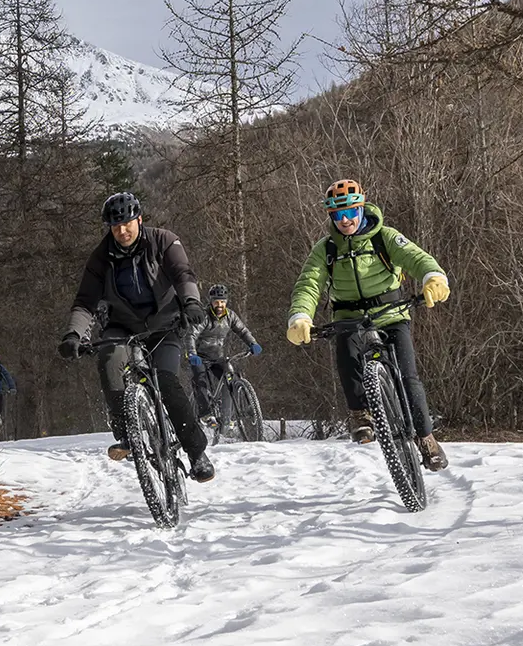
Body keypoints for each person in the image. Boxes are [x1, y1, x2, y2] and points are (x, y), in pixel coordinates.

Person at [285, 178, 452, 471]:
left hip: (391, 312)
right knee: (347, 358)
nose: (346, 220)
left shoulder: (383, 237)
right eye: (338, 215)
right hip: (348, 317)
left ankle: (426, 439)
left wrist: (433, 277)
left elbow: (415, 257)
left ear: (362, 209)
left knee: (409, 376)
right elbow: (309, 283)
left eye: (351, 212)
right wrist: (300, 316)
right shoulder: (325, 250)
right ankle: (361, 414)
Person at [60, 191, 217, 482]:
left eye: (127, 224)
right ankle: (127, 435)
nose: (122, 231)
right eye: (115, 226)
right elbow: (85, 301)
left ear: (139, 219)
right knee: (109, 364)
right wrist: (73, 334)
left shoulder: (163, 240)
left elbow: (183, 274)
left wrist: (191, 302)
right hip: (121, 326)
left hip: (165, 325)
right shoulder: (101, 258)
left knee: (167, 382)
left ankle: (197, 454)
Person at [187, 283, 260, 420]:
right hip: (199, 357)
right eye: (216, 302)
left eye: (222, 302)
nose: (219, 305)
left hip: (217, 357)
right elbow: (191, 335)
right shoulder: (204, 316)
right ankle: (205, 414)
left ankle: (241, 410)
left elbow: (242, 331)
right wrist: (192, 353)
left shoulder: (230, 316)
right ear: (211, 302)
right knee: (200, 380)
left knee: (232, 377)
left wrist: (253, 343)